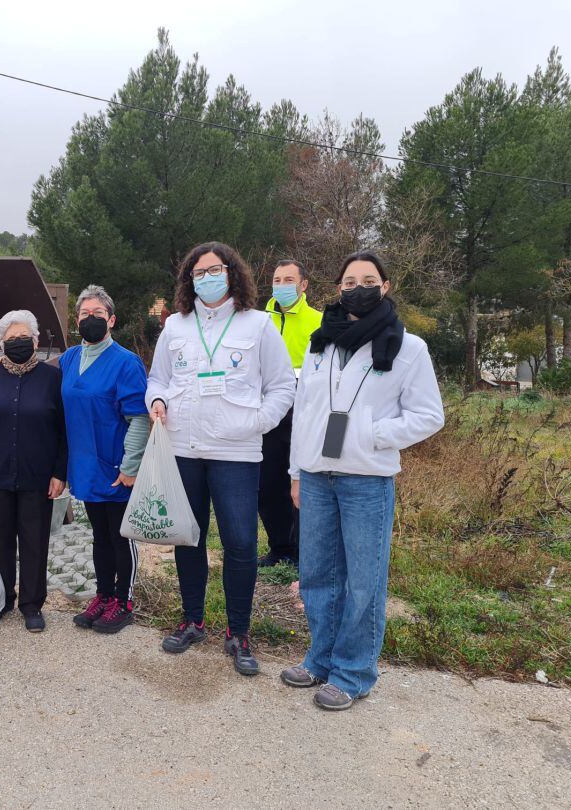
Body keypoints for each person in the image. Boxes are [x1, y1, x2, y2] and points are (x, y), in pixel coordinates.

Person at [282, 250, 443, 710]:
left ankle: (353, 672)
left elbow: (429, 415)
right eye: (349, 280)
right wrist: (295, 472)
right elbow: (305, 415)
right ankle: (320, 658)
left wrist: (374, 434)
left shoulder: (407, 347)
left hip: (366, 480)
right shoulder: (320, 344)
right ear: (338, 289)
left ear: (385, 286)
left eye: (368, 279)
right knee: (316, 574)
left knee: (362, 580)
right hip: (315, 476)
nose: (358, 286)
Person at [147, 242, 296, 675]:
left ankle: (238, 632)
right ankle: (192, 620)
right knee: (187, 537)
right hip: (183, 448)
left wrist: (258, 422)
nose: (206, 278)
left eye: (214, 270)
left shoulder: (258, 325)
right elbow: (158, 377)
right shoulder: (175, 325)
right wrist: (157, 400)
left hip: (236, 452)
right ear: (188, 280)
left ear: (232, 273)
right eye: (197, 272)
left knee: (241, 543)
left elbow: (283, 386)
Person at [0, 310, 67, 632]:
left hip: (38, 476)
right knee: (1, 540)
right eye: (11, 339)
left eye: (24, 338)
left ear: (36, 341)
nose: (18, 343)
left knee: (35, 541)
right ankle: (2, 598)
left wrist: (60, 472)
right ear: (0, 345)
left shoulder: (53, 380)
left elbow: (64, 430)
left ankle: (32, 604)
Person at [62, 285, 150, 635]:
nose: (91, 319)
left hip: (117, 469)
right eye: (85, 314)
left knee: (120, 536)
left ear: (111, 320)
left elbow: (139, 418)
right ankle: (103, 594)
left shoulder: (126, 363)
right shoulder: (69, 359)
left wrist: (130, 467)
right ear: (77, 320)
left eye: (98, 314)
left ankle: (123, 602)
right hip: (86, 467)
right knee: (99, 535)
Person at [258, 259, 323, 568]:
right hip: (267, 409)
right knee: (267, 482)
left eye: (288, 279)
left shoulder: (319, 321)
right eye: (276, 279)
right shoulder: (259, 320)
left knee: (300, 481)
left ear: (303, 285)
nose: (281, 285)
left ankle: (302, 550)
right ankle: (279, 546)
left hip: (304, 409)